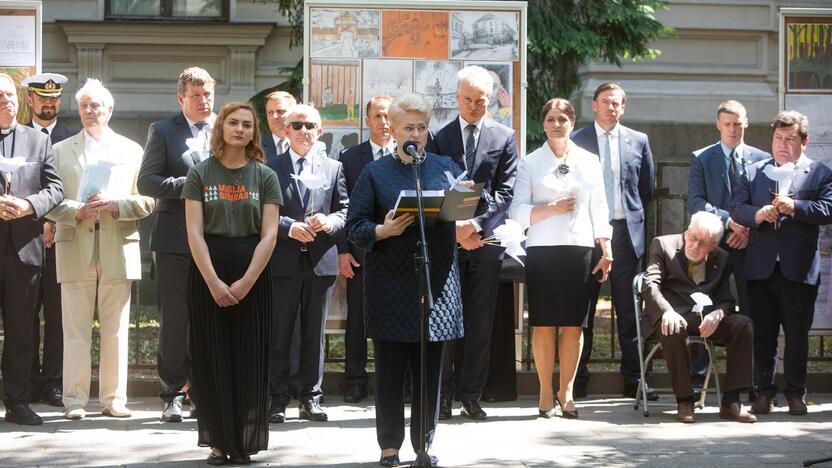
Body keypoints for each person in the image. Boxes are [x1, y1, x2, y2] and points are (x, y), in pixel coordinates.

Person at [346, 93, 464, 467]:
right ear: (393, 130)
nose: (416, 133)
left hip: (436, 282)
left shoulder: (445, 166)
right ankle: (389, 447)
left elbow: (471, 206)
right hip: (390, 284)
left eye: (422, 127)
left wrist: (470, 208)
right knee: (391, 371)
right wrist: (383, 230)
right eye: (408, 127)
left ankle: (424, 446)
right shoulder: (375, 172)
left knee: (429, 372)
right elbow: (355, 225)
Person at [47, 78, 154, 420]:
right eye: (84, 106)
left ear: (110, 110)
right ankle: (74, 400)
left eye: (97, 106)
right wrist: (75, 210)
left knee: (117, 328)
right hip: (74, 243)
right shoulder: (60, 150)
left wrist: (115, 204)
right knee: (75, 330)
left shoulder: (132, 150)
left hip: (117, 245)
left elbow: (148, 200)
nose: (90, 111)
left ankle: (113, 399)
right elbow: (48, 200)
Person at [183, 101, 281, 465]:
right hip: (208, 267)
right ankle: (218, 442)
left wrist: (244, 283)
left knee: (248, 356)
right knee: (211, 357)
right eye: (233, 123)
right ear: (221, 127)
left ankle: (243, 441)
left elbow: (269, 235)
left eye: (247, 124)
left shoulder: (265, 176)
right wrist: (213, 282)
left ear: (255, 132)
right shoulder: (200, 173)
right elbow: (194, 232)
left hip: (251, 266)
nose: (240, 129)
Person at [509, 98, 611, 419]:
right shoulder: (530, 162)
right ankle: (543, 392)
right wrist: (550, 209)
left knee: (573, 325)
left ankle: (565, 392)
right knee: (543, 324)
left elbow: (599, 207)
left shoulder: (588, 160)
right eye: (551, 119)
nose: (556, 125)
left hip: (579, 249)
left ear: (572, 123)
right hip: (542, 250)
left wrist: (605, 248)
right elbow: (517, 211)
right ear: (543, 123)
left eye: (562, 119)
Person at [426, 65, 517, 421]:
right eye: (468, 100)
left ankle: (471, 394)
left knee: (480, 321)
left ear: (491, 99)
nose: (475, 107)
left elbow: (507, 192)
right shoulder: (439, 136)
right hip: (449, 241)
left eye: (481, 101)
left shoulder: (504, 136)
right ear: (456, 98)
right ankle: (443, 394)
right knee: (447, 319)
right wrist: (456, 230)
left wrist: (475, 226)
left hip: (487, 240)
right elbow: (435, 187)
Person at [730, 110, 832, 416]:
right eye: (778, 138)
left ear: (804, 141)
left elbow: (827, 208)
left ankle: (795, 393)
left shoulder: (819, 173)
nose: (782, 145)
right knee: (763, 333)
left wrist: (795, 207)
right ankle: (762, 392)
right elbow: (737, 208)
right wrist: (758, 215)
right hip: (761, 267)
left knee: (797, 334)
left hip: (798, 269)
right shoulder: (754, 171)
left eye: (790, 139)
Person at [137, 66, 216, 422]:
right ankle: (172, 394)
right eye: (197, 95)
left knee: (210, 318)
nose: (204, 101)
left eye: (209, 94)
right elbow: (147, 181)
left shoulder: (224, 129)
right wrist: (191, 184)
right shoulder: (163, 130)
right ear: (181, 98)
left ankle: (204, 390)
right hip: (174, 240)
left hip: (217, 237)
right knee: (176, 320)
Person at [571, 81, 655, 399]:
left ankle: (634, 379)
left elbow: (645, 189)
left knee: (630, 309)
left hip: (624, 233)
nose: (611, 107)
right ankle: (577, 378)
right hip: (586, 233)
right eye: (605, 101)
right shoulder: (577, 140)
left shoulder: (639, 141)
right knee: (583, 309)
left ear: (624, 107)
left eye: (617, 103)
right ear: (594, 105)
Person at [265, 104, 348, 423]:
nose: (302, 130)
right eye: (296, 125)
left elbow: (345, 209)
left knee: (315, 332)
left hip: (320, 262)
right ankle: (276, 398)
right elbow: (264, 211)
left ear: (319, 130)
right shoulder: (271, 167)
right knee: (280, 332)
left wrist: (329, 222)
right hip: (283, 261)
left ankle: (311, 397)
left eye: (309, 125)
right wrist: (289, 227)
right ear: (286, 131)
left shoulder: (334, 168)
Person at [687, 100, 770, 394]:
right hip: (713, 245)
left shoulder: (763, 159)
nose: (732, 129)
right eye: (727, 124)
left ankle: (752, 380)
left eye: (737, 124)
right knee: (703, 306)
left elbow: (766, 202)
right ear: (718, 125)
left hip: (751, 244)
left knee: (752, 311)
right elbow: (696, 201)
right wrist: (730, 222)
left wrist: (746, 227)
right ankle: (697, 380)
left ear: (745, 124)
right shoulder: (702, 158)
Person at [642, 211, 756, 424]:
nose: (694, 245)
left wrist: (719, 313)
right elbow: (651, 285)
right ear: (687, 231)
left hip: (705, 319)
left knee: (743, 324)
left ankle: (732, 401)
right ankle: (684, 400)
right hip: (671, 315)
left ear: (713, 245)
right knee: (673, 327)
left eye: (703, 243)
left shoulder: (721, 257)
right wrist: (667, 311)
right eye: (692, 237)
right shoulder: (663, 245)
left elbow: (726, 299)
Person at [0, 72, 64, 426]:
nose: (6, 101)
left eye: (10, 95)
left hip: (25, 248)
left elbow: (55, 189)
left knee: (22, 329)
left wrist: (27, 206)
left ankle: (18, 401)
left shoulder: (37, 141)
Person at [21, 72, 76, 407]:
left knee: (58, 318)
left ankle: (54, 383)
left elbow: (70, 188)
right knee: (24, 316)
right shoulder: (17, 137)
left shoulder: (72, 137)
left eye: (54, 98)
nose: (49, 103)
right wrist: (40, 222)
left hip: (62, 241)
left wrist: (55, 222)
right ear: (30, 100)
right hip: (25, 240)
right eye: (42, 97)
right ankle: (26, 383)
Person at [337, 95, 395, 403]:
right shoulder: (350, 158)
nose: (384, 123)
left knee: (398, 317)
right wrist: (343, 250)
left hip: (397, 250)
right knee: (357, 319)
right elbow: (343, 207)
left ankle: (400, 382)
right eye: (378, 117)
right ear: (367, 120)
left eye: (388, 117)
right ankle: (355, 381)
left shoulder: (405, 155)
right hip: (360, 251)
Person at [262, 90, 296, 163]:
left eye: (280, 111)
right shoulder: (257, 149)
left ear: (293, 114)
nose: (274, 116)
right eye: (270, 112)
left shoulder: (305, 145)